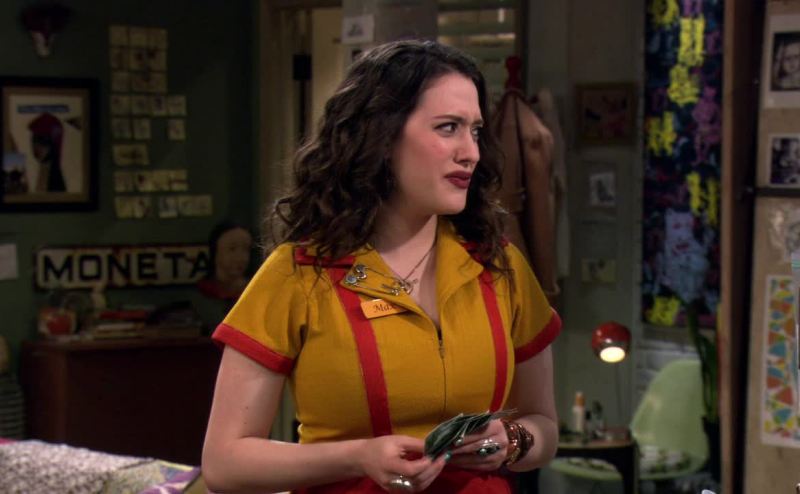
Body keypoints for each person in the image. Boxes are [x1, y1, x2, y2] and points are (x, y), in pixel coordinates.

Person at [202, 40, 561, 493]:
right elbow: (224, 463)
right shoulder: (299, 274)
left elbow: (545, 427)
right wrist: (356, 457)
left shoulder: (499, 265)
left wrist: (512, 440)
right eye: (448, 128)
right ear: (382, 136)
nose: (470, 151)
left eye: (474, 131)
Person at [197, 220, 254, 301]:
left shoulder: (254, 290)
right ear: (215, 251)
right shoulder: (201, 293)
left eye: (246, 249)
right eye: (232, 249)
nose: (240, 258)